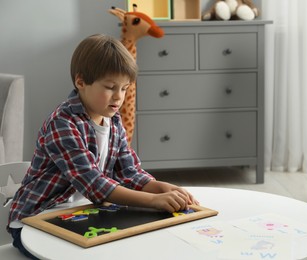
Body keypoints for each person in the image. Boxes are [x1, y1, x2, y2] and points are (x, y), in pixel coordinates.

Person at [7, 34, 197, 259]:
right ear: (80, 82)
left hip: (84, 214)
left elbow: (129, 172)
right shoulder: (63, 123)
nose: (119, 97)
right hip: (37, 220)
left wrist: (162, 187)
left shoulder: (113, 120)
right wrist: (153, 200)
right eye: (110, 87)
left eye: (125, 88)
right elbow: (94, 183)